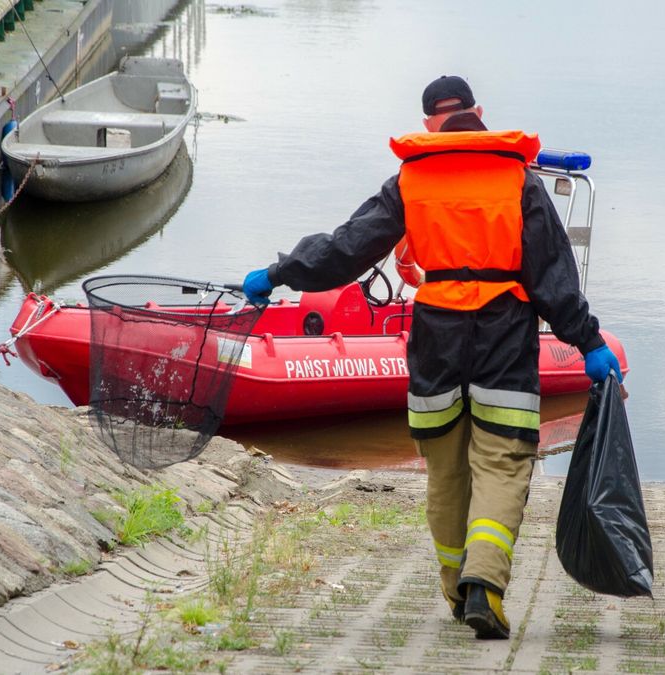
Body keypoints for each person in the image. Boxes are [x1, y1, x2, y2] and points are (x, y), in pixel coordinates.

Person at [243, 75, 620, 640]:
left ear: (429, 125)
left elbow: (346, 249)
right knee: (502, 461)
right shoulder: (518, 179)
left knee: (445, 469)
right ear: (479, 114)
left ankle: (456, 591)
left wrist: (279, 273)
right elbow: (552, 277)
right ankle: (484, 585)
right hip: (503, 335)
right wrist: (588, 342)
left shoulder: (411, 179)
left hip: (436, 336)